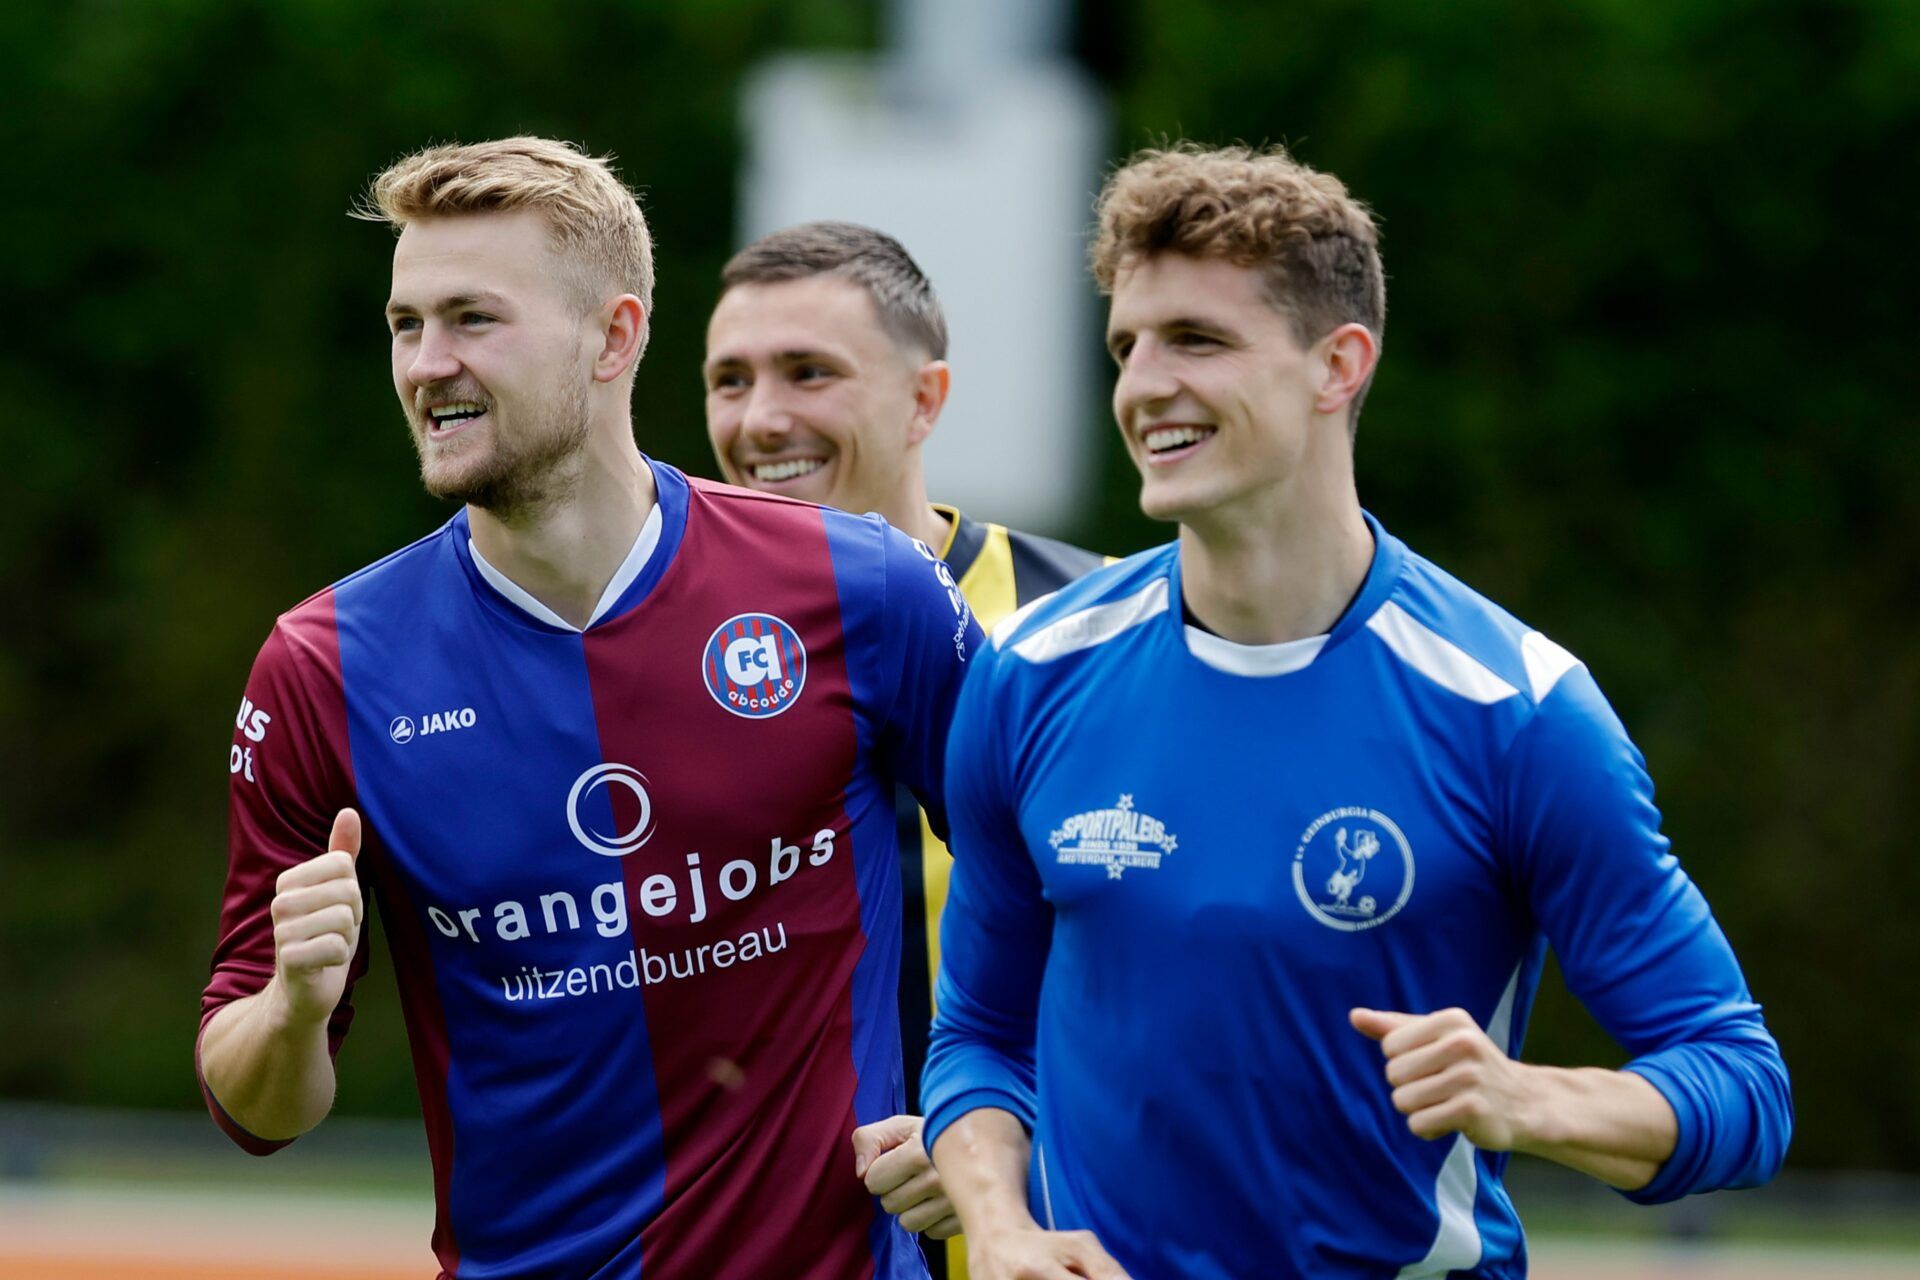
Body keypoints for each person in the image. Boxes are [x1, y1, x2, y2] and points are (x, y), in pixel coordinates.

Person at [919, 143, 1792, 1280]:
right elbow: (980, 1038)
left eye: (1197, 340)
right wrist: (999, 1226)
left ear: (1338, 365)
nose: (1143, 386)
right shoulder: (1031, 671)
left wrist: (1527, 1098)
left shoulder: (1517, 711)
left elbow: (1739, 1082)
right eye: (1127, 346)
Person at [197, 137, 980, 1280]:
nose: (427, 363)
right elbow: (255, 1109)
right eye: (406, 324)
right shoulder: (325, 666)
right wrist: (291, 1005)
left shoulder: (860, 585)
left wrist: (990, 1110)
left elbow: (1059, 877)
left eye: (473, 317)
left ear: (614, 337)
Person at [703, 221, 1106, 1279]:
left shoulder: (1091, 629)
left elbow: (1181, 953)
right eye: (730, 379)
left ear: (925, 399)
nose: (760, 418)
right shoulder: (657, 647)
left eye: (809, 372)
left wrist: (1002, 1129)